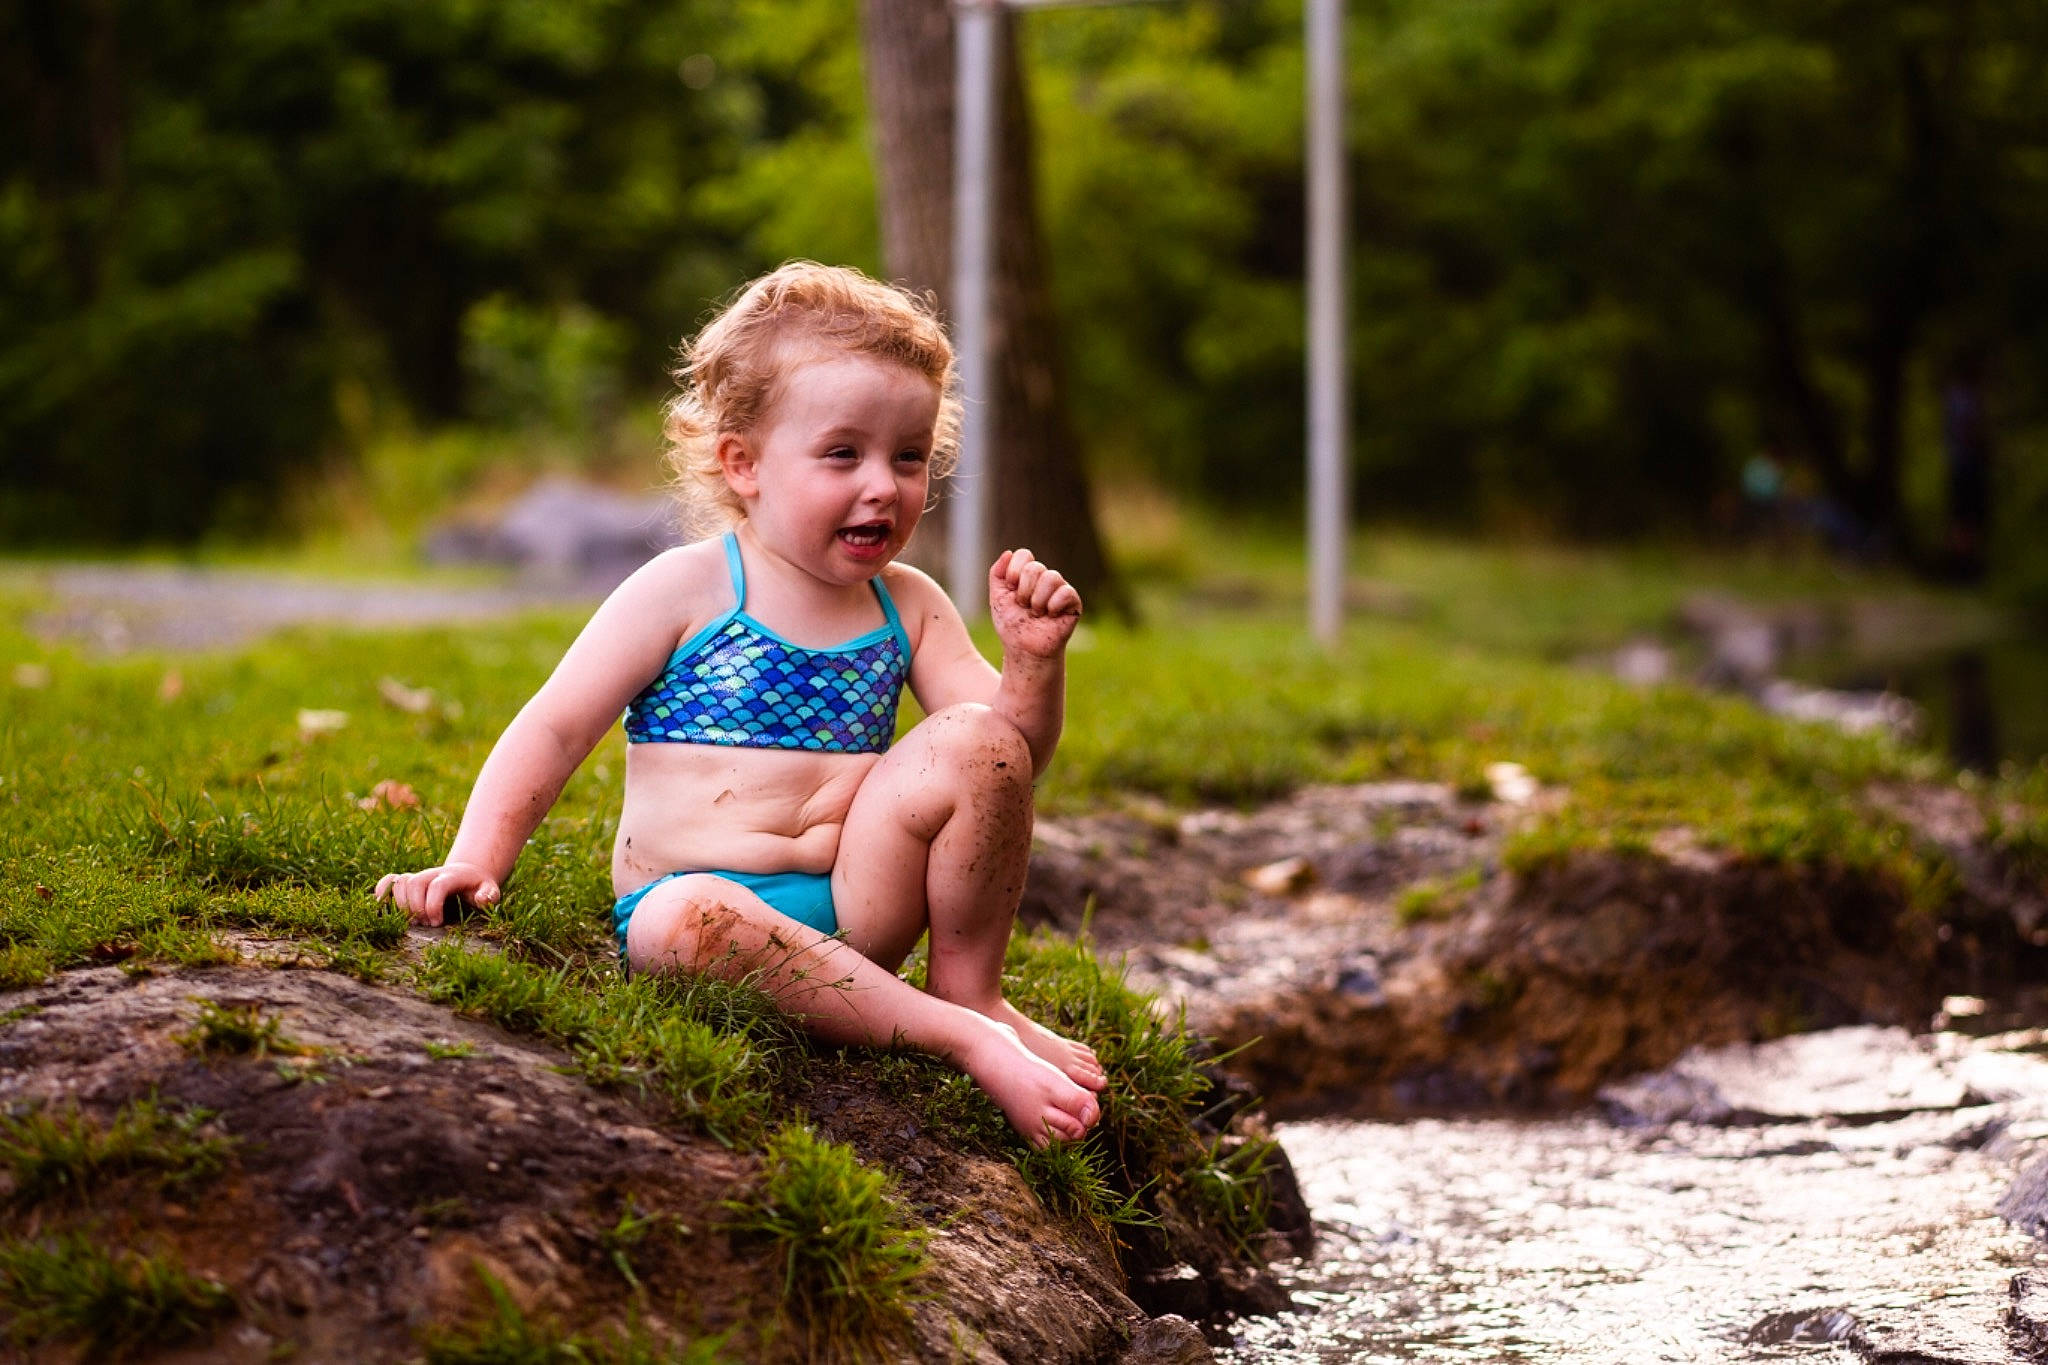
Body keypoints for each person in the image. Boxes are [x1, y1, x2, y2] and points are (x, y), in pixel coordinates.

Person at [376, 262, 1105, 1147]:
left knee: (973, 734)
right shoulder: (685, 588)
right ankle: (957, 1037)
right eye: (844, 454)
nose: (883, 484)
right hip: (705, 918)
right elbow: (557, 724)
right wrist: (475, 858)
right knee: (675, 920)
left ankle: (970, 992)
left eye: (908, 457)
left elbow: (1010, 758)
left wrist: (1031, 665)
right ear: (744, 462)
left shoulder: (907, 602)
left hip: (855, 913)